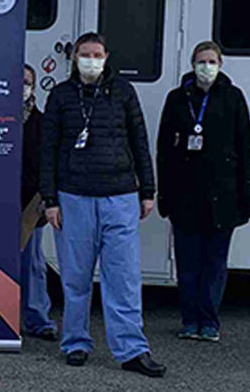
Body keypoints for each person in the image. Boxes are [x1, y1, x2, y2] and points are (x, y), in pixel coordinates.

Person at [41, 32, 166, 378]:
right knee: (75, 278)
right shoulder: (61, 96)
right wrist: (50, 199)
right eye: (84, 54)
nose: (91, 60)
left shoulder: (124, 92)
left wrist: (148, 190)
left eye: (97, 54)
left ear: (107, 57)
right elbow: (48, 150)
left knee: (123, 278)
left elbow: (140, 141)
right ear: (74, 58)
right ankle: (76, 342)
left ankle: (132, 349)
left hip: (120, 195)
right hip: (73, 196)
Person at [156, 41, 250, 344]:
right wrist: (164, 194)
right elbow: (163, 150)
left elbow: (244, 148)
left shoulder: (234, 97)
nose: (206, 66)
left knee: (214, 265)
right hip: (184, 197)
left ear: (220, 64)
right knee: (188, 265)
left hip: (222, 199)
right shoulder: (176, 98)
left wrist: (247, 195)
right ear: (192, 64)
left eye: (212, 61)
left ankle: (209, 321)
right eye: (201, 61)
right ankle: (189, 320)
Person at [19, 64, 56, 340]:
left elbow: (48, 165)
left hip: (30, 204)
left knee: (32, 262)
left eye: (28, 81)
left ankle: (38, 319)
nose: (23, 86)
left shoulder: (41, 123)